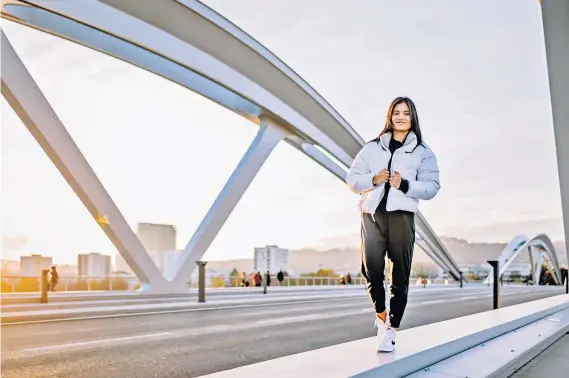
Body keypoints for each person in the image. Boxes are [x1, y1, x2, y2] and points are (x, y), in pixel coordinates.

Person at [346, 97, 441, 353]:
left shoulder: (423, 151)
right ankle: (381, 316)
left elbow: (432, 187)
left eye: (406, 114)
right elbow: (352, 180)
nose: (400, 117)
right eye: (396, 113)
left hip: (402, 217)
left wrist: (406, 185)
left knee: (400, 276)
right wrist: (374, 179)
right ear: (390, 116)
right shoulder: (372, 148)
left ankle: (391, 329)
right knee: (372, 271)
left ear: (413, 119)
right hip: (372, 215)